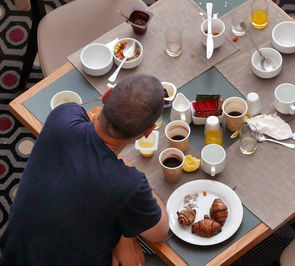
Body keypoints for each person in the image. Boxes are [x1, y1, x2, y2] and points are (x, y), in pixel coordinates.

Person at [0, 74, 169, 265]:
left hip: (13, 256)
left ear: (106, 95)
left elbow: (91, 142)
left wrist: (124, 236)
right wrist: (126, 230)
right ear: (148, 131)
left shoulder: (64, 115)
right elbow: (159, 232)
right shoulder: (129, 184)